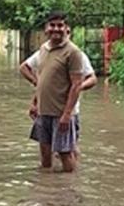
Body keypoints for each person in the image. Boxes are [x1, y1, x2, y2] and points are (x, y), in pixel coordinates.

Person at [20, 30, 97, 159]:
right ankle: (53, 177)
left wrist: (76, 88)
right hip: (46, 108)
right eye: (53, 26)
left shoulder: (75, 54)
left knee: (68, 150)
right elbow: (28, 71)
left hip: (67, 108)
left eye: (63, 28)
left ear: (68, 32)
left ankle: (72, 175)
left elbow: (93, 79)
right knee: (47, 149)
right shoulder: (44, 51)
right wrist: (35, 100)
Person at [27, 12, 85, 172]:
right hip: (43, 112)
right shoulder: (43, 49)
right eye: (52, 25)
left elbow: (76, 85)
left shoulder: (73, 52)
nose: (56, 29)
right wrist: (34, 103)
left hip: (61, 113)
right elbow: (43, 80)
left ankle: (69, 188)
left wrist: (66, 115)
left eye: (60, 25)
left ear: (66, 29)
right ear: (46, 28)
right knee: (45, 154)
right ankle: (47, 189)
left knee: (65, 153)